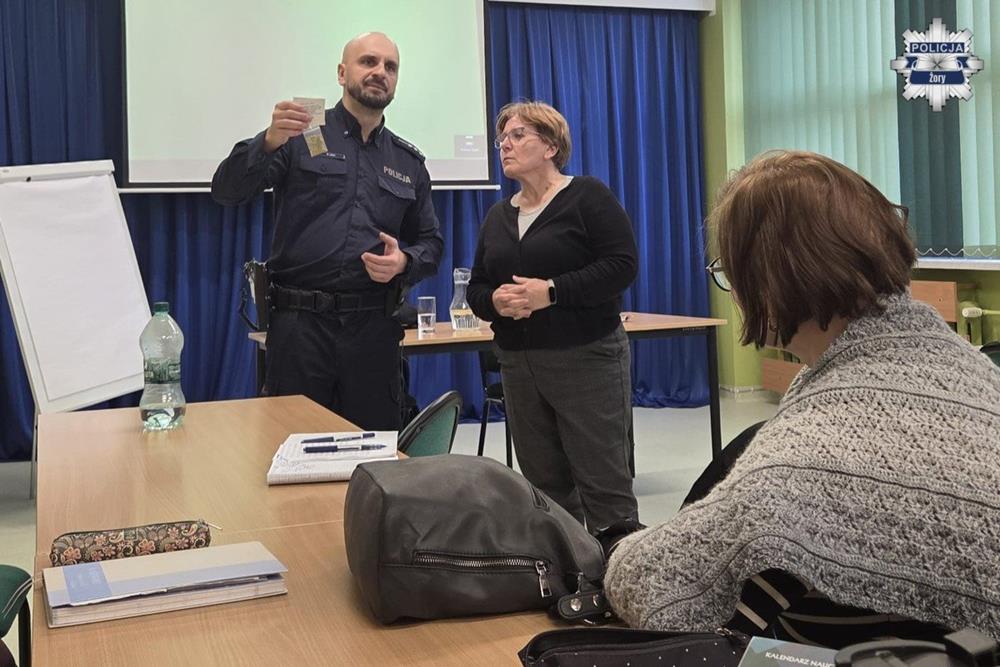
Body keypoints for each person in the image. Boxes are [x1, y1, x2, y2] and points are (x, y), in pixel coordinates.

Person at [604, 151, 1000, 645]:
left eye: (730, 271)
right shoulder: (975, 371)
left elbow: (656, 587)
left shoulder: (802, 458)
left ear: (767, 279)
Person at [212, 32, 443, 430]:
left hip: (373, 333)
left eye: (390, 67)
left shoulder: (408, 161)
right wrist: (266, 142)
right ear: (341, 72)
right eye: (368, 62)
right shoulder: (299, 133)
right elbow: (227, 191)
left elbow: (432, 243)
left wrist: (405, 261)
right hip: (301, 331)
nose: (379, 73)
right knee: (291, 452)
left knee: (373, 461)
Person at [467, 100, 640, 534]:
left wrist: (552, 292)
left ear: (550, 145)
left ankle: (620, 580)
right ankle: (567, 579)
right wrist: (496, 304)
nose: (504, 145)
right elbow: (477, 288)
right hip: (520, 366)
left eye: (517, 135)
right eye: (500, 138)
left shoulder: (587, 196)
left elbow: (622, 265)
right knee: (543, 488)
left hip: (586, 360)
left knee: (603, 484)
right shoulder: (497, 216)